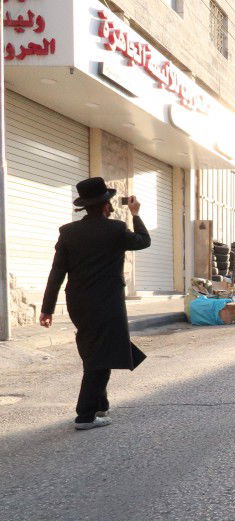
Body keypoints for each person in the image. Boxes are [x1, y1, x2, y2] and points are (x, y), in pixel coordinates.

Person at [40, 177, 150, 430]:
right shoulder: (116, 229)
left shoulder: (68, 233)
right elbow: (144, 241)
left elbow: (56, 274)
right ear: (105, 205)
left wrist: (47, 309)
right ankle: (85, 415)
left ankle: (100, 405)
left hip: (78, 303)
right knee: (99, 355)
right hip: (107, 302)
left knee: (96, 350)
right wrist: (136, 214)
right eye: (109, 203)